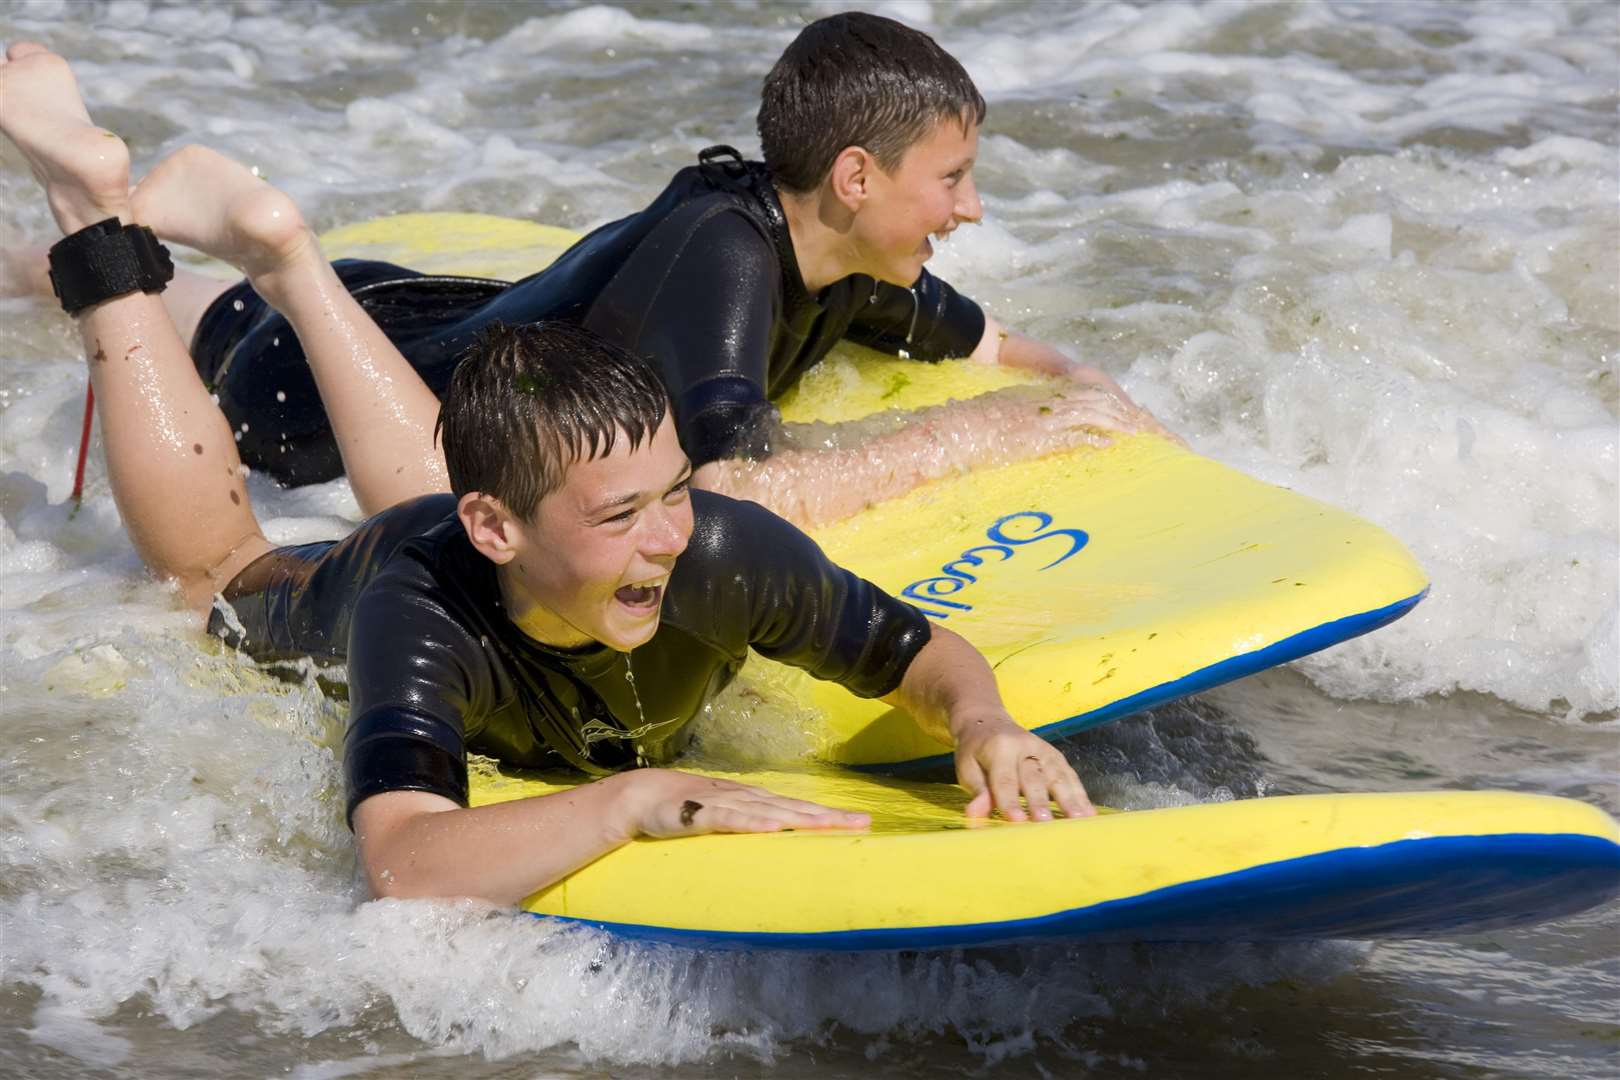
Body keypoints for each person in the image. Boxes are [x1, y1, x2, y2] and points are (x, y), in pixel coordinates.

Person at [1, 43, 1094, 906]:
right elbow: (408, 862)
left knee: (499, 475)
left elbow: (918, 651)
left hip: (460, 378)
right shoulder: (419, 616)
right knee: (213, 577)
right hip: (357, 550)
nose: (667, 537)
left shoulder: (715, 546)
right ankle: (92, 227)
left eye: (671, 496)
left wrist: (981, 723)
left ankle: (240, 259)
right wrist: (635, 803)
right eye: (624, 515)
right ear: (493, 533)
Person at [27, 11, 1169, 527]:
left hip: (416, 305)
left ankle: (77, 236)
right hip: (334, 403)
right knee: (184, 325)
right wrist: (984, 437)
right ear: (858, 178)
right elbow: (737, 494)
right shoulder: (727, 260)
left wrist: (1083, 387)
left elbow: (991, 343)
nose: (971, 209)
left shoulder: (856, 256)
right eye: (953, 178)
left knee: (181, 302)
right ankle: (101, 235)